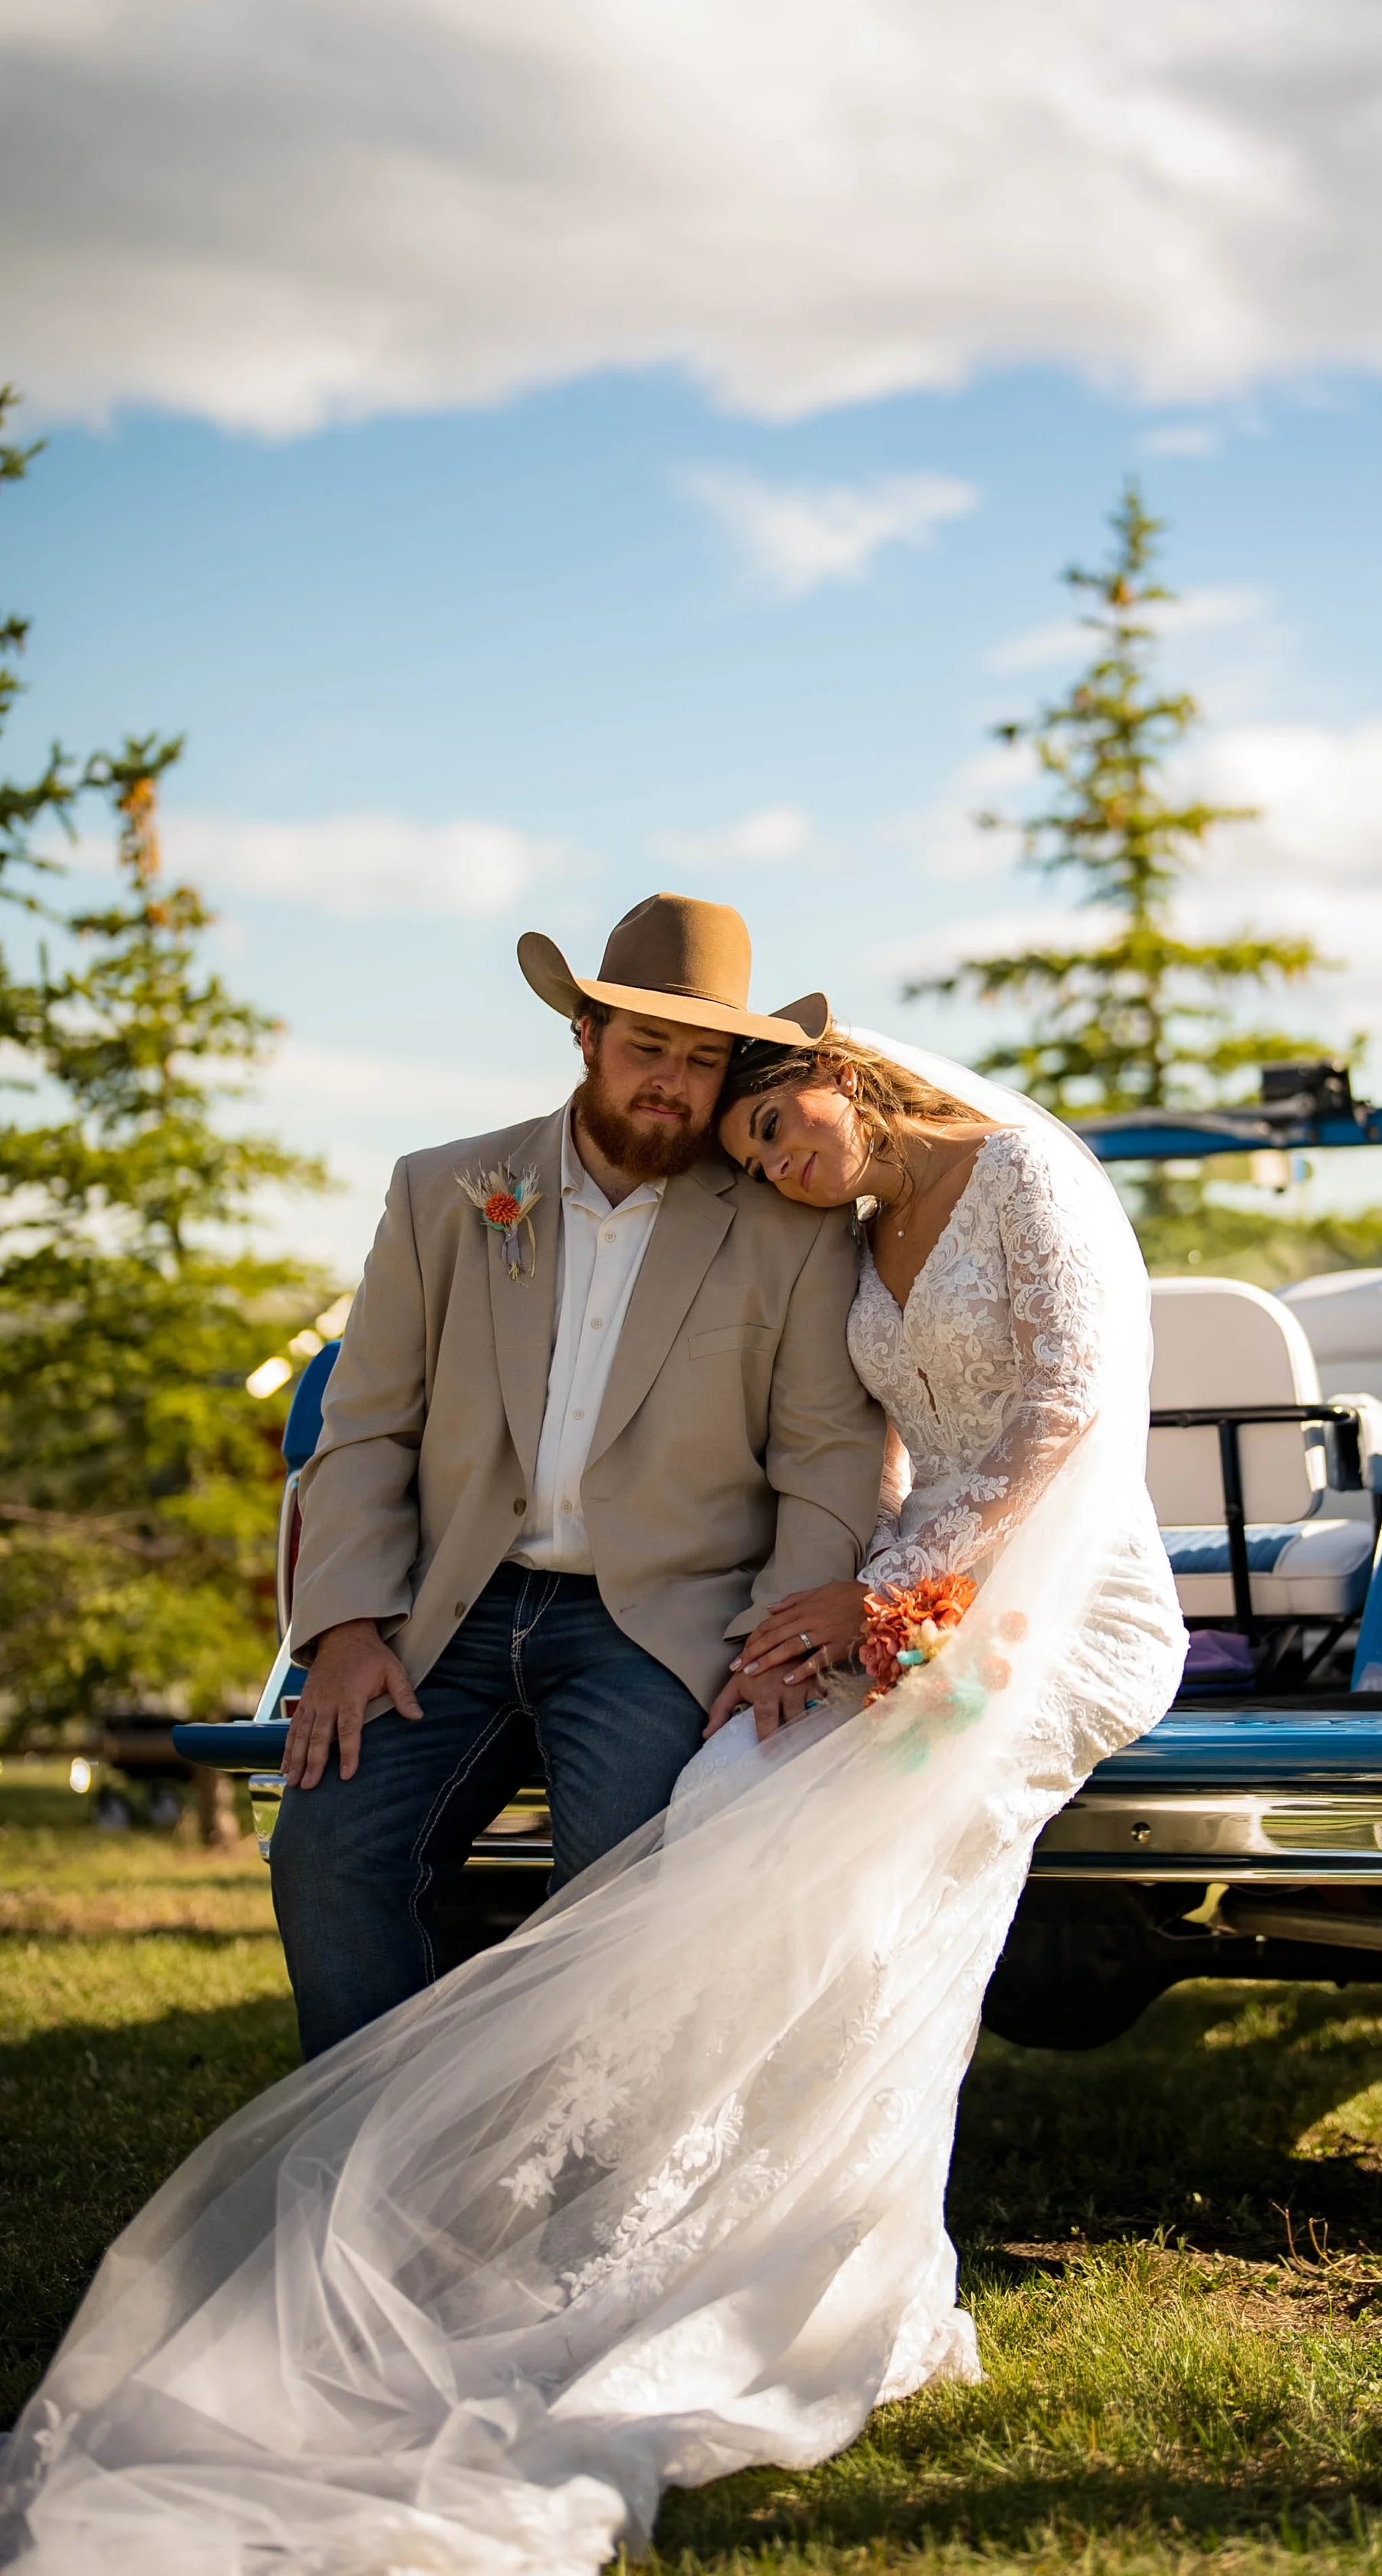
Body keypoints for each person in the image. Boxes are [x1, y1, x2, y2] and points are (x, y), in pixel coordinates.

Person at [0, 1025, 1184, 2576]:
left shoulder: (1018, 1175)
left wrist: (875, 1606)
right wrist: (837, 1602)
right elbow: (841, 1439)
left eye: (771, 1116)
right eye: (746, 1140)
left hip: (1057, 1598)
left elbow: (1050, 1424)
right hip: (838, 1588)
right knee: (722, 1805)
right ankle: (477, 2210)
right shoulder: (766, 1216)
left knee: (851, 1874)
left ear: (840, 1069)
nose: (764, 1153)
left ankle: (847, 2273)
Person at [270, 890, 886, 2055]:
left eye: (704, 1058)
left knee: (622, 1881)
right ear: (585, 1036)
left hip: (656, 1624)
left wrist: (782, 1640)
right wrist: (346, 1625)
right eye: (647, 1045)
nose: (673, 1080)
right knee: (330, 1848)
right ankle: (378, 2164)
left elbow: (829, 1453)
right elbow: (365, 1427)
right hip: (450, 1605)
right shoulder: (443, 1191)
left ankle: (568, 2173)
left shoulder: (795, 1228)